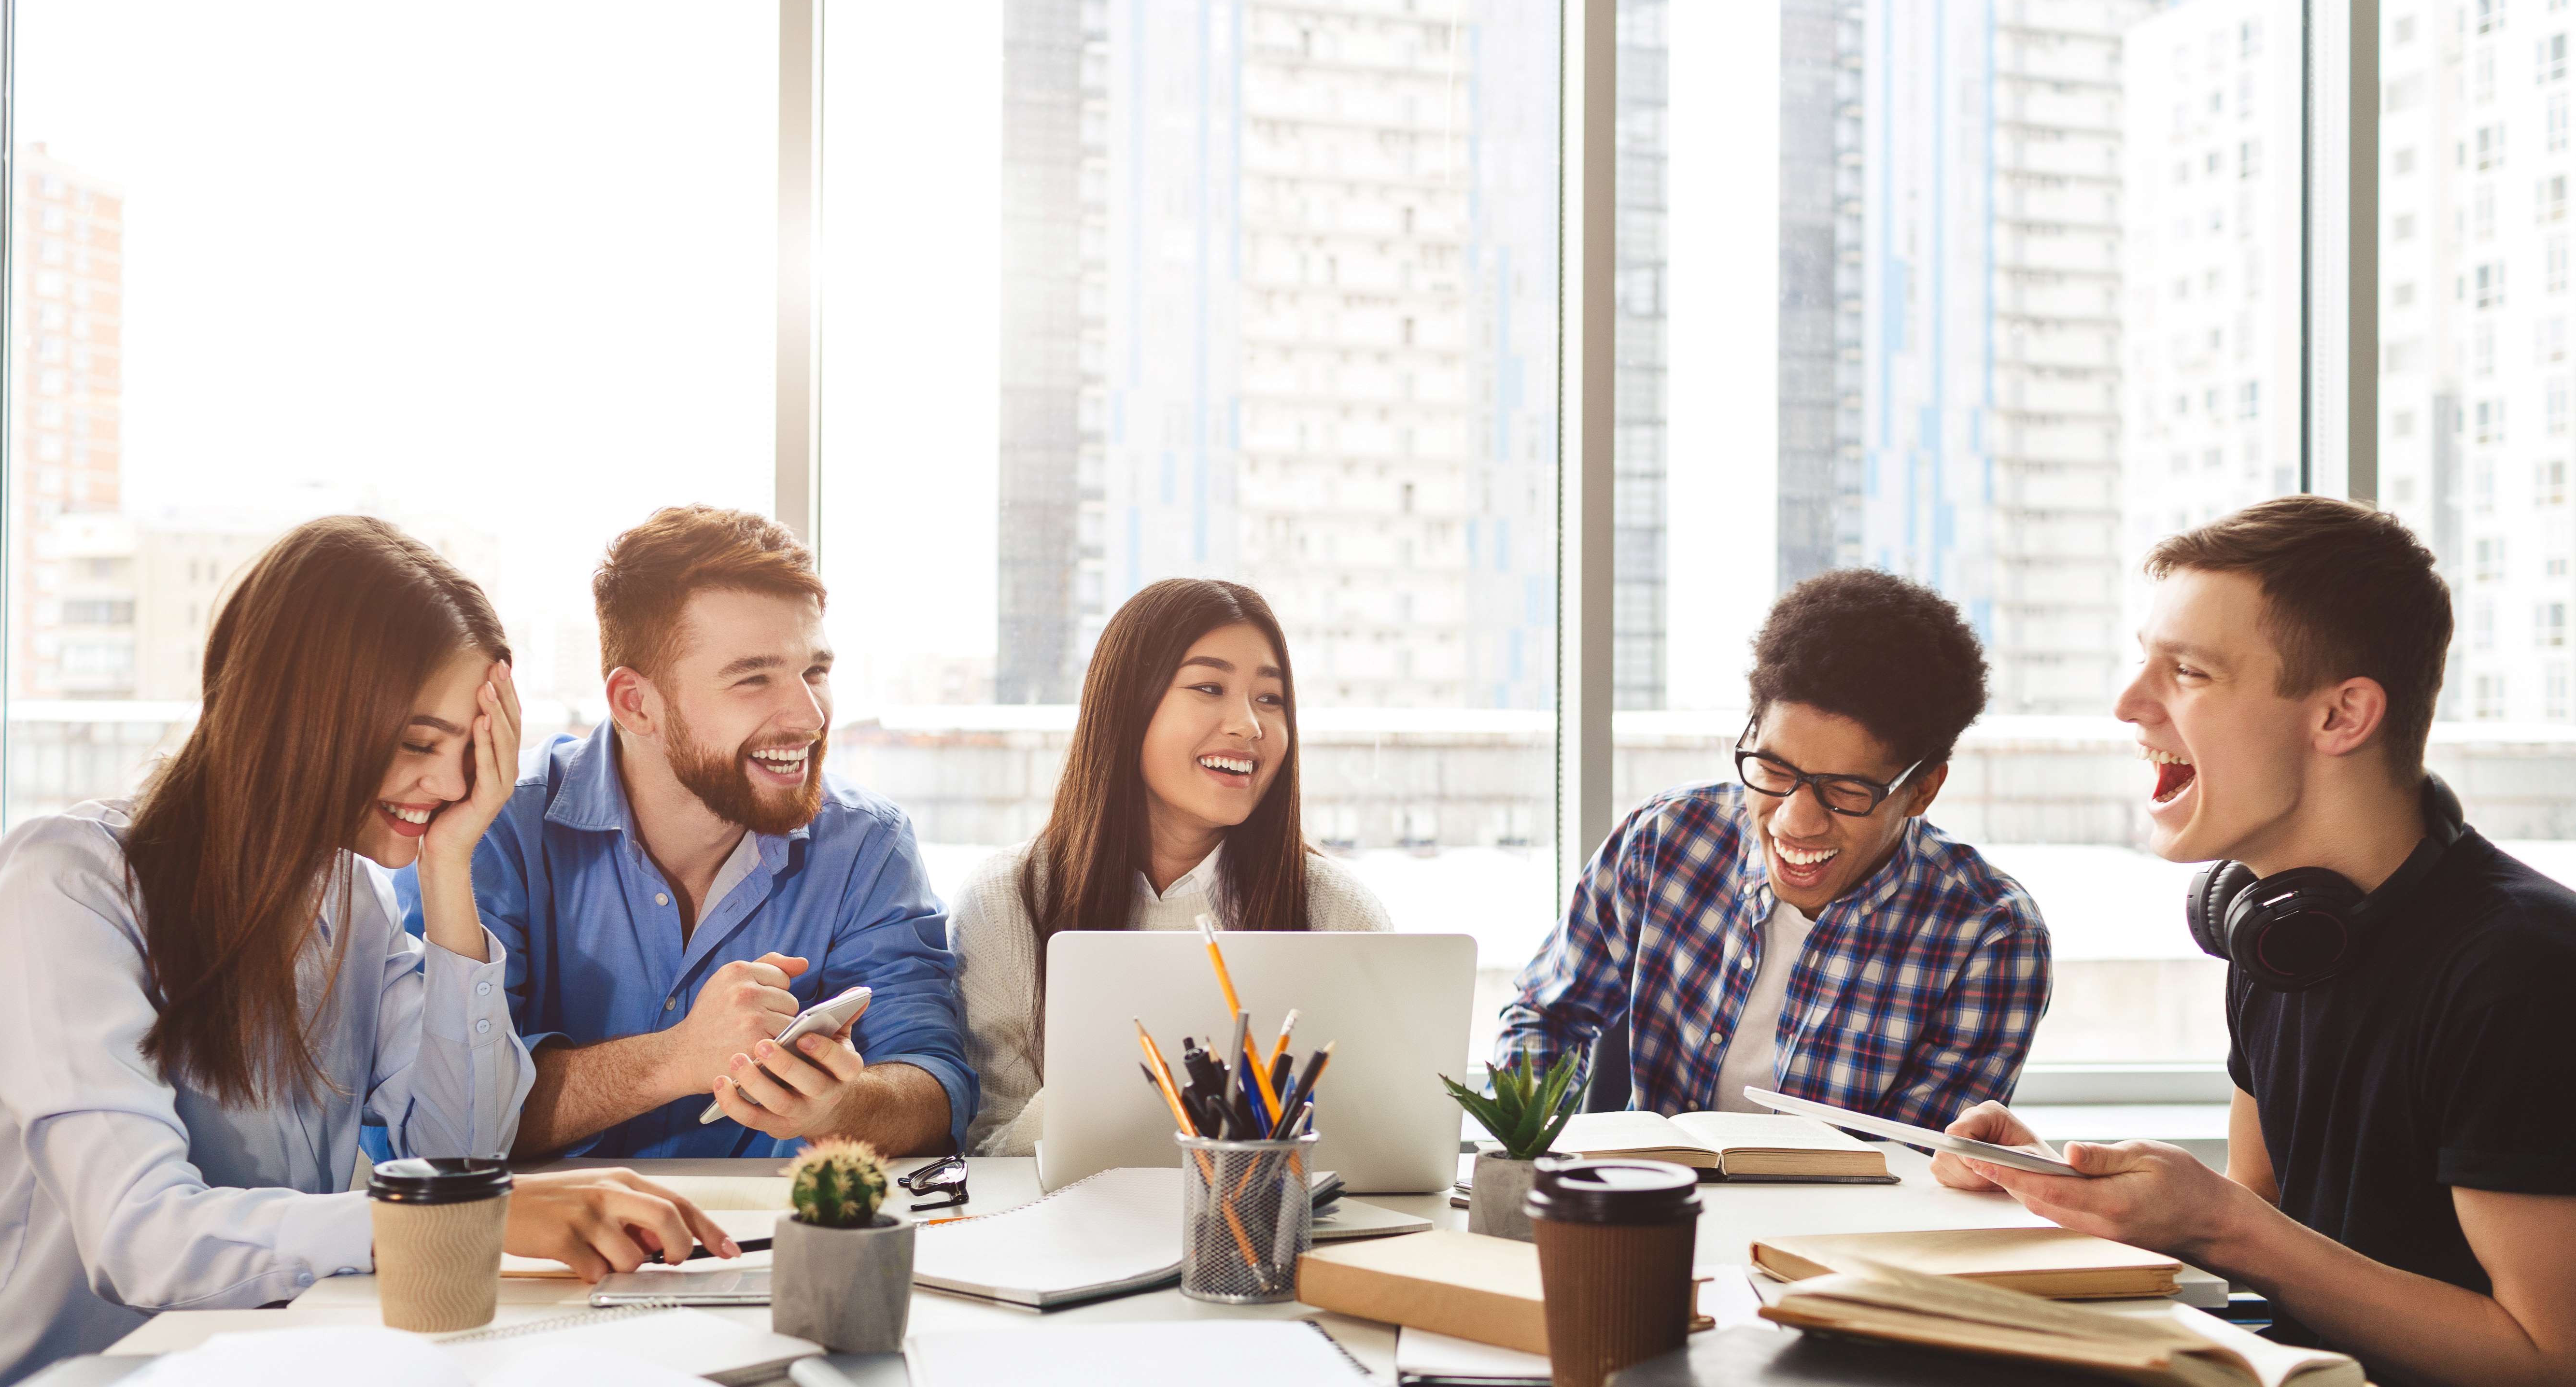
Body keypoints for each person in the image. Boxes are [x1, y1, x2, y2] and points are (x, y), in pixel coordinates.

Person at [0, 518, 732, 1387]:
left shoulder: (353, 898)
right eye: (420, 743)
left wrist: (449, 866)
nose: (451, 780)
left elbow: (462, 1146)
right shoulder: (67, 884)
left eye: (470, 747)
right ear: (301, 717)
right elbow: (140, 1238)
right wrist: (472, 1219)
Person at [1936, 497, 2576, 1387]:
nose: (2129, 703)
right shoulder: (2280, 933)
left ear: (2341, 714)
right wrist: (2066, 1187)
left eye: (2187, 671)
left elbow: (2555, 1382)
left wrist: (2227, 1225)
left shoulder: (2521, 971)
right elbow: (2267, 1225)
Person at [397, 507, 973, 1160]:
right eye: (753, 678)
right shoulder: (493, 833)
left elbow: (938, 1086)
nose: (810, 717)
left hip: (772, 1248)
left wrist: (841, 1104)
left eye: (815, 671)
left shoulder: (866, 845)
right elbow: (429, 1126)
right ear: (635, 704)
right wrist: (675, 1059)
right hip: (539, 1256)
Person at [1498, 570, 2050, 1124]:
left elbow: (1911, 1174)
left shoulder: (1991, 936)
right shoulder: (1663, 841)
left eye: (1844, 790)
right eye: (1773, 769)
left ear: (1921, 790)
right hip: (1643, 1203)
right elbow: (1545, 1015)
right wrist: (1542, 1148)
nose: (1795, 821)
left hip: (1839, 1215)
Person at [952, 579, 1392, 1154]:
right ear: (1127, 707)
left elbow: (1379, 1151)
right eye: (1210, 687)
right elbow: (986, 1150)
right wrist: (1105, 1092)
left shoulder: (1339, 911)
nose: (1249, 725)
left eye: (1270, 698)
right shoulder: (1006, 902)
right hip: (1072, 1235)